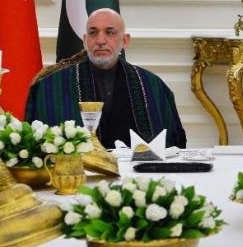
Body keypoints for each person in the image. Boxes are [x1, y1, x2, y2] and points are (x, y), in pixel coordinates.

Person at [25, 8, 185, 149]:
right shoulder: (49, 89)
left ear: (124, 40)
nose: (100, 41)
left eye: (110, 32)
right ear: (85, 40)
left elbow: (173, 146)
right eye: (93, 33)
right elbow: (35, 148)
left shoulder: (152, 87)